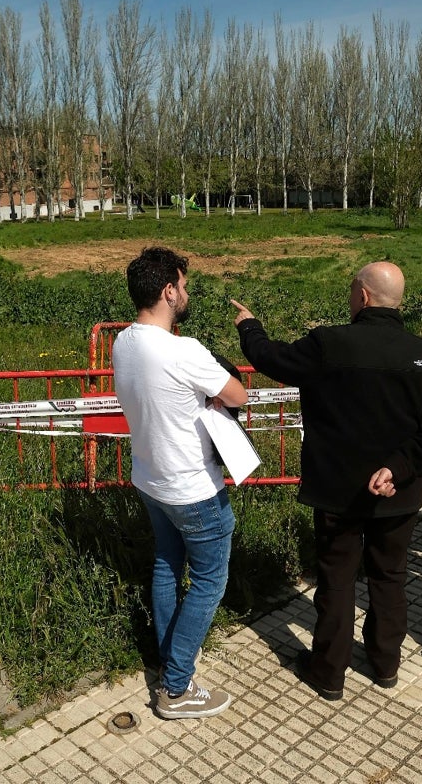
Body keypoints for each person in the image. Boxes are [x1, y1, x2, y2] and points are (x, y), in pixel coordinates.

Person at [232, 263, 422, 699]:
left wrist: (249, 326)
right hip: (399, 493)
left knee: (336, 581)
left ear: (364, 297)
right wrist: (398, 466)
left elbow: (271, 358)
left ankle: (328, 672)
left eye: (353, 289)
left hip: (337, 492)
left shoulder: (328, 344)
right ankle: (385, 664)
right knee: (389, 577)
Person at [112, 247, 248, 719]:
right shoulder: (183, 350)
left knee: (168, 566)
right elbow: (238, 394)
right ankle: (176, 687)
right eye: (183, 286)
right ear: (168, 291)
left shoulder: (123, 343)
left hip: (151, 480)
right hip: (193, 488)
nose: (186, 293)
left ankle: (171, 661)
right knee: (210, 579)